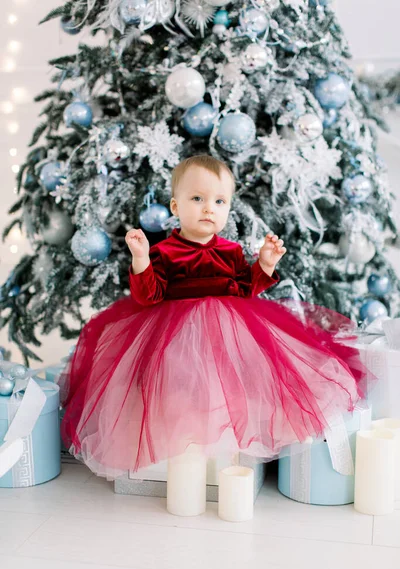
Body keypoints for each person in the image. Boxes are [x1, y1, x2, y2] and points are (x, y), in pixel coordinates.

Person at [60, 155, 366, 480]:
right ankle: (180, 447)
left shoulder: (231, 251)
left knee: (229, 381)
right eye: (198, 199)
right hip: (173, 330)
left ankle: (221, 448)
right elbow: (148, 295)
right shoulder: (164, 252)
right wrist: (140, 259)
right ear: (176, 207)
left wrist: (265, 265)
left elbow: (245, 289)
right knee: (181, 383)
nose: (209, 208)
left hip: (228, 328)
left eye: (219, 201)